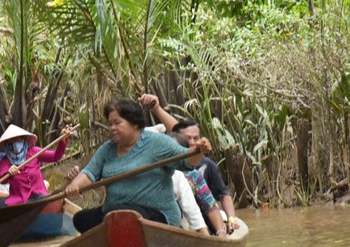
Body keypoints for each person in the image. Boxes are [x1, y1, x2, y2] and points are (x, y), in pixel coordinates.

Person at [64, 98, 212, 233]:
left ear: (134, 124)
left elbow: (187, 161)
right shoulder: (107, 149)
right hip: (114, 213)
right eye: (110, 124)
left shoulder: (157, 142)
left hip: (156, 214)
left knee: (124, 215)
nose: (112, 128)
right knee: (80, 219)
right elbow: (89, 173)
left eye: (117, 123)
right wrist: (76, 185)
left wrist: (198, 151)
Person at [138, 94, 238, 223]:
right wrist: (156, 108)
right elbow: (174, 131)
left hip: (201, 218)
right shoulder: (164, 162)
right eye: (187, 139)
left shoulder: (204, 167)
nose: (192, 143)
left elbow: (221, 196)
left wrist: (232, 219)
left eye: (195, 138)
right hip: (171, 219)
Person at [0, 123, 75, 211]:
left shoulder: (34, 151)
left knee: (50, 203)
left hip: (39, 195)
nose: (16, 144)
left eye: (19, 139)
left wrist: (62, 140)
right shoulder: (5, 160)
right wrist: (9, 172)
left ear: (24, 140)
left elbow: (55, 157)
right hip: (18, 200)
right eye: (13, 141)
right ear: (7, 144)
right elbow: (3, 180)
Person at [169, 132, 230, 237]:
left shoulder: (193, 175)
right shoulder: (159, 174)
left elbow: (210, 206)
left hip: (194, 226)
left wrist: (221, 233)